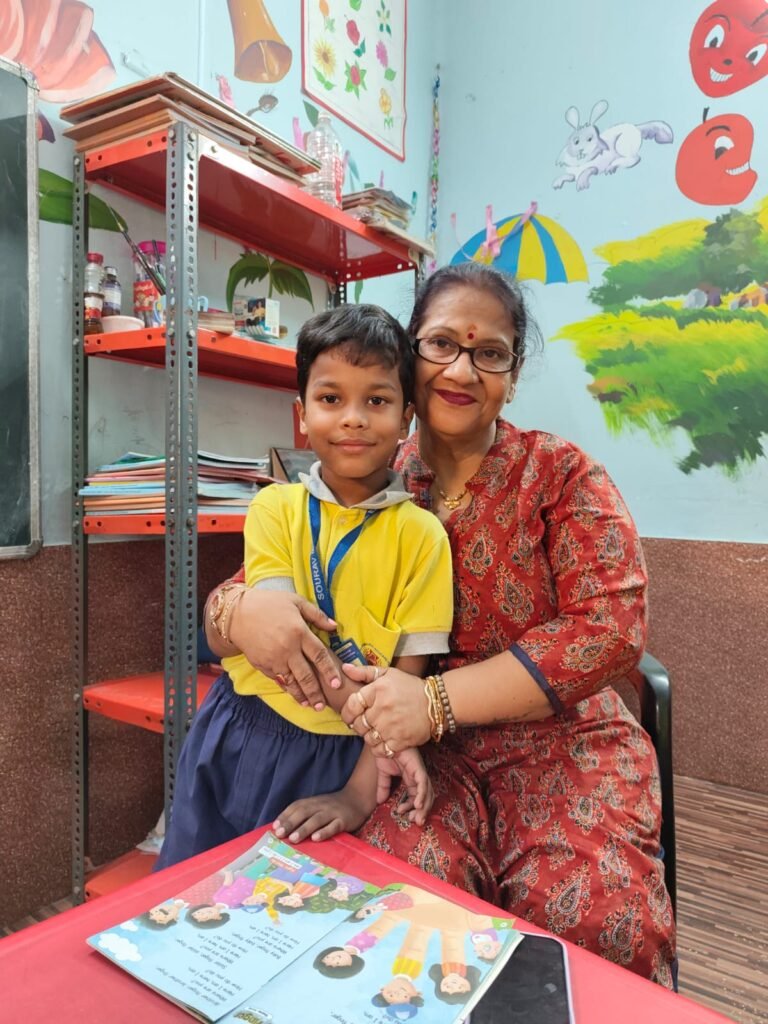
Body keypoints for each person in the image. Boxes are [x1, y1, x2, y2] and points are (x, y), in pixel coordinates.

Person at [203, 263, 677, 986]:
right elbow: (251, 596)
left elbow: (610, 628)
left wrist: (432, 702)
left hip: (561, 746)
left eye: (490, 353)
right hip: (418, 760)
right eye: (442, 344)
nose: (462, 369)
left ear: (513, 376)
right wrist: (242, 609)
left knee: (592, 922)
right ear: (409, 353)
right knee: (395, 916)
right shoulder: (365, 468)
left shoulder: (560, 475)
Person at [157, 304, 454, 871]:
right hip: (236, 727)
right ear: (302, 414)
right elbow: (282, 637)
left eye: (376, 401)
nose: (353, 419)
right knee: (191, 889)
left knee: (292, 901)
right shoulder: (273, 508)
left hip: (335, 755)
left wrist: (359, 792)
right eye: (331, 398)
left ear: (407, 419)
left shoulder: (423, 538)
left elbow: (405, 685)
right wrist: (390, 741)